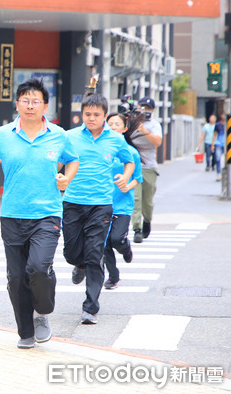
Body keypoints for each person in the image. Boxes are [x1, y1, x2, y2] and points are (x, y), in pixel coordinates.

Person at [0, 78, 79, 349]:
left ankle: (42, 311)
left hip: (47, 213)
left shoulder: (58, 135)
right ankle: (26, 331)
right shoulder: (3, 135)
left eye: (36, 101)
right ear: (17, 104)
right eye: (25, 100)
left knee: (38, 268)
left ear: (45, 105)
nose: (30, 106)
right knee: (17, 276)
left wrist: (66, 178)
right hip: (12, 215)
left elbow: (72, 160)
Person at [63, 92, 134, 325]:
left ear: (104, 116)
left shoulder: (115, 139)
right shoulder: (69, 136)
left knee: (95, 254)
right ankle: (78, 263)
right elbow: (55, 160)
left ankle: (90, 307)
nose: (91, 118)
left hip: (101, 205)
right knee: (71, 252)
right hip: (72, 202)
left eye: (96, 115)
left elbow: (129, 160)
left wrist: (125, 177)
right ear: (81, 114)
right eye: (87, 114)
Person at [103, 113, 143, 290]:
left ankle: (125, 248)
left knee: (116, 239)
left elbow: (138, 178)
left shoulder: (131, 152)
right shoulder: (102, 150)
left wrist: (128, 186)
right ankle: (113, 277)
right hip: (102, 203)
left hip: (122, 205)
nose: (112, 127)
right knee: (104, 243)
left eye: (116, 124)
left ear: (124, 128)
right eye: (109, 124)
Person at [130, 97, 162, 243]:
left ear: (152, 111)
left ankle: (147, 220)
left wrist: (143, 130)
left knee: (147, 201)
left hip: (149, 168)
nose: (144, 110)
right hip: (133, 167)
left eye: (147, 108)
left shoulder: (154, 125)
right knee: (136, 199)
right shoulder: (131, 122)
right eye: (142, 107)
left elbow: (157, 142)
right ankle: (137, 228)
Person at [211, 113, 226, 182]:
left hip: (227, 145)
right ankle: (218, 173)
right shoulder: (218, 125)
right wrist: (212, 144)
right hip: (219, 144)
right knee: (217, 158)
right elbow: (214, 134)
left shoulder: (228, 124)